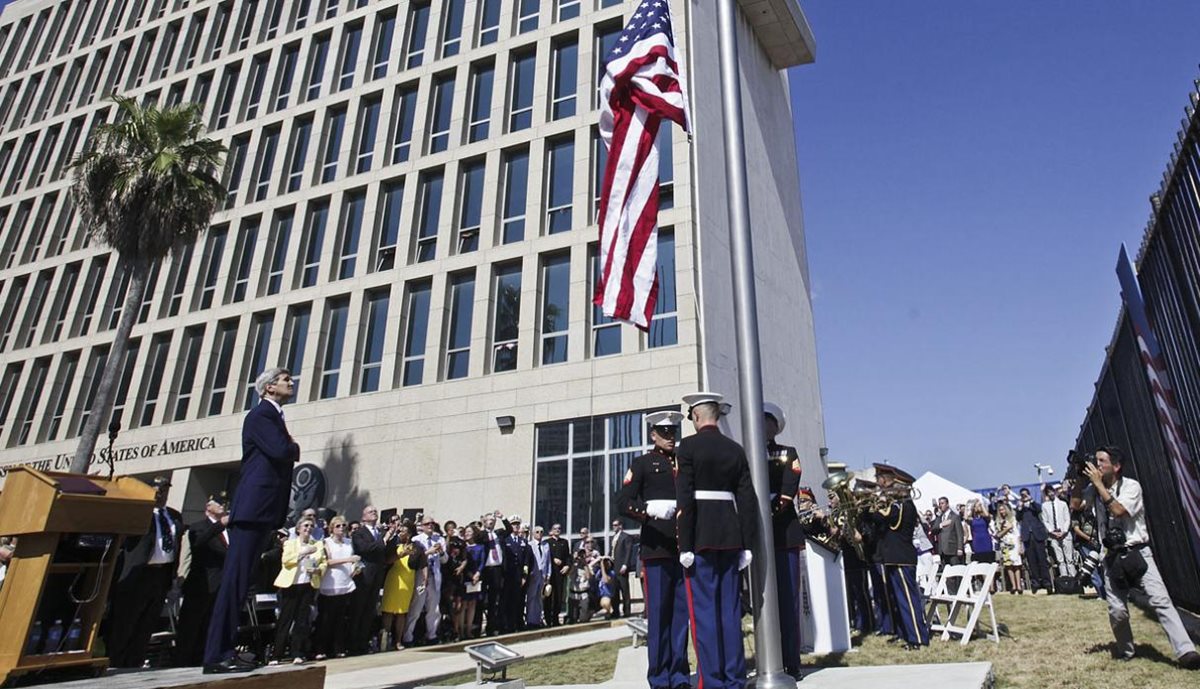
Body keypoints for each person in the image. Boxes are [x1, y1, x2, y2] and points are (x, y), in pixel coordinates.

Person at [204, 368, 299, 674]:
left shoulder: (276, 416)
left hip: (263, 512)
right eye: (285, 379)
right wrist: (294, 446)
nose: (291, 382)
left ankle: (226, 650)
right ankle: (217, 654)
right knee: (234, 583)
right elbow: (281, 450)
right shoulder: (261, 416)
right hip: (252, 510)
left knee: (242, 583)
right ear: (269, 387)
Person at [1070, 446, 1200, 668]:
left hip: (1138, 551)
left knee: (1160, 600)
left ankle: (1186, 651)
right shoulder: (1094, 488)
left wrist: (1099, 485)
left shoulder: (1131, 486)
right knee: (1117, 610)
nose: (1098, 465)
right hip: (1111, 556)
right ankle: (1126, 650)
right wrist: (1080, 477)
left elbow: (1119, 511)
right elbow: (1076, 505)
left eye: (1102, 461)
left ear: (1116, 466)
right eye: (1096, 461)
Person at [676, 392, 757, 689]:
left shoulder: (688, 446)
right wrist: (747, 543)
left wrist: (685, 545)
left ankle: (712, 681)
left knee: (704, 614)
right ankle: (734, 678)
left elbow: (685, 498)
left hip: (701, 538)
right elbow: (747, 499)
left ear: (697, 416)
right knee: (729, 611)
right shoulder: (734, 449)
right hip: (731, 537)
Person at [617, 410, 690, 689]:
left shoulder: (685, 462)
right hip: (656, 548)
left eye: (674, 433)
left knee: (681, 617)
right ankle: (659, 677)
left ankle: (680, 674)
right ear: (653, 435)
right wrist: (648, 511)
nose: (670, 438)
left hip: (683, 549)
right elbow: (623, 502)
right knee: (659, 616)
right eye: (665, 433)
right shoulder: (643, 463)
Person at [107, 474, 184, 668]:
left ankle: (136, 660)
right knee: (127, 620)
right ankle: (116, 660)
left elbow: (176, 543)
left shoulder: (173, 516)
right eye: (157, 489)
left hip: (161, 573)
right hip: (138, 573)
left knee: (147, 622)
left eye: (164, 489)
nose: (160, 493)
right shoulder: (140, 512)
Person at [862, 464, 928, 650]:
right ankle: (905, 633)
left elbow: (879, 517)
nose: (882, 486)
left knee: (907, 600)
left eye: (885, 482)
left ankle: (916, 638)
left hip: (902, 558)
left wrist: (870, 502)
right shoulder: (897, 506)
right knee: (899, 600)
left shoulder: (902, 506)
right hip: (895, 558)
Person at [762, 401, 806, 677]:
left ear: (775, 427)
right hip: (760, 536)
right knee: (765, 603)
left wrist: (768, 510)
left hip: (783, 533)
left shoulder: (788, 453)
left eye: (768, 422)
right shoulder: (748, 452)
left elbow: (789, 488)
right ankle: (769, 659)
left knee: (788, 602)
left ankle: (791, 661)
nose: (764, 427)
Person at [176, 494, 230, 666]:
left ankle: (201, 659)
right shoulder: (198, 527)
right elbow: (199, 543)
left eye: (226, 503)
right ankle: (182, 660)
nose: (224, 506)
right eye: (219, 503)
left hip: (220, 585)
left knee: (208, 625)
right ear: (208, 506)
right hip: (201, 584)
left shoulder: (229, 531)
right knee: (191, 625)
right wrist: (220, 526)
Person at [270, 517, 326, 664]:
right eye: (305, 525)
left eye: (311, 526)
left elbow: (323, 562)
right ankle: (277, 654)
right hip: (291, 585)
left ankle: (297, 652)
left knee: (302, 621)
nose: (308, 528)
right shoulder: (290, 543)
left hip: (307, 584)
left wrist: (318, 569)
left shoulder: (318, 544)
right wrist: (303, 553)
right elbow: (286, 560)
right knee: (285, 620)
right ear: (299, 528)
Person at [349, 506, 396, 654]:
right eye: (370, 511)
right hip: (364, 575)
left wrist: (392, 538)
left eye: (375, 511)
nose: (374, 513)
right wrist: (384, 540)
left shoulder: (381, 532)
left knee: (370, 610)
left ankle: (364, 642)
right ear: (363, 517)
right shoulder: (359, 533)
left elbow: (386, 552)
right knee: (358, 609)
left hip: (377, 575)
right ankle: (352, 643)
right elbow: (365, 549)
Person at [314, 516, 359, 659]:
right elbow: (327, 561)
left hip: (345, 582)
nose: (341, 528)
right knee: (326, 618)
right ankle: (321, 649)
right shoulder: (325, 542)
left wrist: (355, 568)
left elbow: (352, 560)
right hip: (330, 583)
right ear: (332, 528)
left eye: (343, 526)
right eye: (338, 526)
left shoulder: (348, 542)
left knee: (340, 619)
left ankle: (338, 647)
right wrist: (347, 560)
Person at [380, 525, 422, 650]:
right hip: (394, 579)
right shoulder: (395, 546)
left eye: (402, 531)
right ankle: (385, 640)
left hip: (408, 581)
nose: (400, 533)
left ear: (408, 534)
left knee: (401, 612)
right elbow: (387, 560)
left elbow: (421, 563)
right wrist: (401, 554)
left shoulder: (416, 548)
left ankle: (398, 641)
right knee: (388, 610)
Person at [408, 516, 447, 644]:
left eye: (432, 523)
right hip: (421, 576)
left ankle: (432, 635)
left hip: (434, 576)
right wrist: (428, 552)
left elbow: (445, 560)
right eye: (427, 524)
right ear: (422, 526)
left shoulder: (440, 539)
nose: (430, 525)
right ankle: (408, 636)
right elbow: (413, 559)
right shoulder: (416, 539)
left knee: (434, 609)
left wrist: (441, 552)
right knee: (416, 607)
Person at [1016, 487, 1051, 593]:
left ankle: (1047, 582)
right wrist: (1020, 507)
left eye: (1025, 494)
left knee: (1042, 560)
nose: (1024, 496)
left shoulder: (1033, 505)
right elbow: (1018, 517)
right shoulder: (1021, 508)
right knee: (1031, 561)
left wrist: (1030, 501)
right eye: (1022, 495)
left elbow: (1039, 509)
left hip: (1037, 535)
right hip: (1027, 536)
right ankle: (1035, 583)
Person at [1041, 485, 1075, 581]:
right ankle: (1065, 579)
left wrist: (1064, 531)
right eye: (1048, 492)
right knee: (1060, 559)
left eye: (1052, 491)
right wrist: (1052, 532)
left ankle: (1073, 578)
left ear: (1055, 492)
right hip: (1053, 536)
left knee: (1069, 559)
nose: (1051, 494)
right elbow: (1045, 521)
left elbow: (1067, 519)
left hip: (1065, 534)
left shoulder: (1063, 504)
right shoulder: (1045, 506)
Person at [993, 502, 1022, 593]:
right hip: (1004, 544)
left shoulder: (1013, 519)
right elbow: (998, 535)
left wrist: (1020, 546)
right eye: (1000, 510)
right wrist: (1006, 529)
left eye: (1003, 509)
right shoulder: (998, 522)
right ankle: (1013, 586)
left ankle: (1019, 585)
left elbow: (1017, 533)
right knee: (1008, 565)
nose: (1002, 512)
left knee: (1016, 565)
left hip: (1014, 543)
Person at [609, 520, 636, 619]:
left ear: (620, 526)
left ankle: (627, 611)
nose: (614, 527)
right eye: (613, 525)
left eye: (615, 525)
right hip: (613, 567)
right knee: (614, 591)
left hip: (621, 567)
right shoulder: (613, 537)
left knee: (624, 590)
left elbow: (628, 551)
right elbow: (612, 551)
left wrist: (625, 565)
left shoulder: (626, 537)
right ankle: (615, 611)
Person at [545, 523, 571, 627]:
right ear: (551, 530)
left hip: (560, 573)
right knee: (548, 596)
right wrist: (553, 559)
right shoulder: (547, 542)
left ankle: (556, 619)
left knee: (559, 597)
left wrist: (567, 566)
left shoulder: (564, 542)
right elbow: (545, 557)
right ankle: (547, 619)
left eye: (559, 529)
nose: (557, 530)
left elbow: (568, 557)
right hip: (550, 574)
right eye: (555, 529)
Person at [526, 525, 551, 629]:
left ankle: (538, 619)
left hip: (543, 574)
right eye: (537, 532)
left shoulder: (546, 545)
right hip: (534, 574)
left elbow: (548, 561)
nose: (539, 534)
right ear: (533, 533)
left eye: (541, 532)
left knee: (539, 598)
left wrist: (548, 574)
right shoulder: (530, 545)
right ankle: (530, 620)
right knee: (531, 597)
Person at [935, 496, 964, 567]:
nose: (940, 505)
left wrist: (960, 548)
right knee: (946, 573)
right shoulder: (940, 517)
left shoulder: (955, 517)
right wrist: (940, 523)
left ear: (947, 504)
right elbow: (934, 529)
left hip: (952, 549)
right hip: (942, 550)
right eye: (939, 504)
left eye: (942, 503)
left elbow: (960, 534)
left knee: (955, 570)